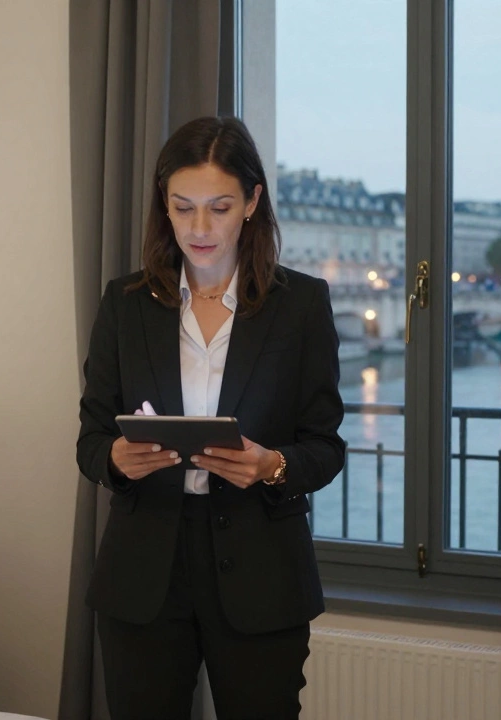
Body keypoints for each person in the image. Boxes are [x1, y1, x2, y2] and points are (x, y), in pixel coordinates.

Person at [76, 115, 346, 719]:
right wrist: (115, 460)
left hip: (262, 571)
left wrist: (272, 466)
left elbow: (325, 447)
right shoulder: (124, 305)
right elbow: (92, 436)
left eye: (219, 208)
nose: (199, 228)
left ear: (252, 202)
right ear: (164, 206)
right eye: (183, 207)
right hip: (144, 572)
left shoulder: (300, 306)